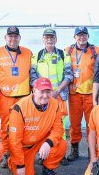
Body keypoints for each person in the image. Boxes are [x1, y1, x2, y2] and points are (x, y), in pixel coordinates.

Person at [0, 26, 32, 168]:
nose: (13, 39)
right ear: (5, 38)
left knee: (24, 126)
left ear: (19, 38)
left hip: (24, 96)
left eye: (15, 36)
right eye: (10, 36)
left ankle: (21, 151)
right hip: (5, 96)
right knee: (6, 126)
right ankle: (6, 153)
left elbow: (34, 73)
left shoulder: (28, 52)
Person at [7, 77, 67, 175]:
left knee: (61, 144)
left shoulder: (55, 104)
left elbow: (58, 129)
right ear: (34, 90)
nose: (45, 95)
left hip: (41, 141)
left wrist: (48, 143)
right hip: (24, 147)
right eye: (42, 91)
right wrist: (20, 164)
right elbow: (14, 140)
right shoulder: (19, 107)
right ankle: (12, 161)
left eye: (48, 91)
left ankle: (48, 168)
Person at [30, 28, 73, 165]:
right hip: (42, 97)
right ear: (43, 39)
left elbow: (68, 75)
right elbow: (32, 77)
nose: (49, 39)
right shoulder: (36, 56)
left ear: (56, 39)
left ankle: (61, 154)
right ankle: (43, 154)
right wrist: (44, 93)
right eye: (46, 37)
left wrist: (57, 91)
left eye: (52, 37)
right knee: (42, 125)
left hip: (59, 95)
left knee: (60, 125)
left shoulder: (63, 54)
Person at [64, 27, 99, 162]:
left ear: (88, 36)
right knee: (74, 124)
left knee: (92, 124)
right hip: (74, 94)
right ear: (75, 37)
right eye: (79, 35)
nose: (82, 37)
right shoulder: (67, 50)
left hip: (91, 94)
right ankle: (74, 149)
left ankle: (92, 150)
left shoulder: (96, 50)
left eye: (84, 35)